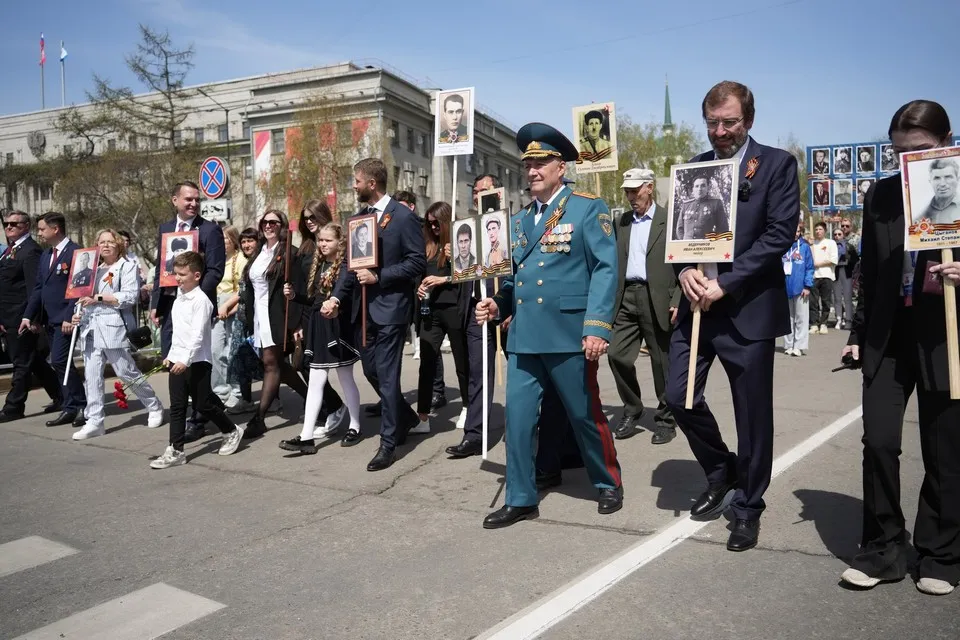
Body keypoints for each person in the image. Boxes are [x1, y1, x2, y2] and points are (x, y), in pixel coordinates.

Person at [664, 81, 800, 552]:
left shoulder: (776, 165)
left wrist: (727, 281)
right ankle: (722, 470)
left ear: (749, 121)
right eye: (712, 123)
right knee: (677, 395)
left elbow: (779, 233)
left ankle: (748, 506)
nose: (720, 131)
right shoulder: (695, 169)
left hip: (747, 310)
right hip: (698, 308)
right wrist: (684, 270)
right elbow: (680, 237)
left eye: (729, 122)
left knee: (752, 415)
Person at [839, 99, 960, 596]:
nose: (909, 161)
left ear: (947, 143)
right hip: (888, 336)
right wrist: (857, 334)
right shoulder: (882, 195)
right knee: (880, 442)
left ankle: (941, 552)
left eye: (921, 149)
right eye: (899, 153)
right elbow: (869, 273)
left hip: (945, 334)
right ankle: (883, 547)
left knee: (944, 448)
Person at [475, 122, 623, 528]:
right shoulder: (519, 220)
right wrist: (496, 303)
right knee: (519, 421)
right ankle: (521, 497)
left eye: (541, 163)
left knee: (584, 414)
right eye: (528, 165)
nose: (533, 171)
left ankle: (607, 480)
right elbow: (512, 280)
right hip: (524, 337)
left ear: (561, 166)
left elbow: (605, 269)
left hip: (570, 333)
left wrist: (597, 327)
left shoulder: (587, 207)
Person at [353, 157, 427, 471]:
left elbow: (417, 262)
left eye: (357, 181)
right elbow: (350, 265)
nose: (354, 186)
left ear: (372, 183)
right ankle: (406, 417)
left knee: (387, 376)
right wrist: (337, 298)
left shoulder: (403, 216)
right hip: (364, 310)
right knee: (371, 370)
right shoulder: (360, 219)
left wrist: (380, 276)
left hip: (392, 308)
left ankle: (388, 444)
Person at [150, 251, 244, 469]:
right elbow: (178, 333)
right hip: (178, 359)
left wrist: (185, 360)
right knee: (177, 406)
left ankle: (231, 430)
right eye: (176, 274)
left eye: (183, 274)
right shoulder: (179, 299)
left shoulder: (201, 301)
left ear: (197, 275)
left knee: (203, 404)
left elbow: (197, 335)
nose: (178, 278)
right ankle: (176, 450)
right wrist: (171, 356)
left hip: (197, 361)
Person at [607, 167, 681, 444]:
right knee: (616, 354)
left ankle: (666, 419)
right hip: (626, 297)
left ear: (649, 187)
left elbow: (683, 262)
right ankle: (633, 408)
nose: (630, 197)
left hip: (658, 297)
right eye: (627, 191)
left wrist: (678, 298)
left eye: (635, 190)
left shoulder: (669, 220)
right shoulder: (621, 222)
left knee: (662, 362)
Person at [70, 229, 164, 440]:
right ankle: (94, 420)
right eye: (101, 242)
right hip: (90, 326)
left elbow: (130, 297)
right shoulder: (92, 270)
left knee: (125, 370)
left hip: (113, 324)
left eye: (110, 242)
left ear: (119, 244)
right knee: (91, 375)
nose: (105, 245)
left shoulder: (126, 266)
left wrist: (99, 298)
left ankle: (153, 404)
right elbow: (81, 297)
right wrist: (77, 314)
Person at [279, 223, 362, 454]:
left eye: (328, 240)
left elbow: (344, 289)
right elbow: (315, 300)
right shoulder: (320, 265)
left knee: (345, 377)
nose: (323, 244)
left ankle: (355, 425)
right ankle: (307, 437)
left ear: (340, 242)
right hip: (318, 325)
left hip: (338, 326)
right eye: (321, 240)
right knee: (316, 380)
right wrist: (295, 297)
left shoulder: (345, 265)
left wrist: (334, 302)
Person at [240, 210, 308, 439]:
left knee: (270, 363)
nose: (268, 226)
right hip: (259, 317)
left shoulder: (290, 253)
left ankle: (259, 418)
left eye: (273, 222)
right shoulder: (259, 252)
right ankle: (314, 398)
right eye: (265, 222)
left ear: (282, 226)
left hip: (277, 316)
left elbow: (296, 288)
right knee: (276, 363)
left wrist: (296, 322)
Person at [21, 212, 87, 427]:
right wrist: (29, 315)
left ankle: (80, 405)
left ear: (55, 229)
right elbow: (39, 288)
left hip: (65, 319)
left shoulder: (75, 252)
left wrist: (69, 316)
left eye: (42, 229)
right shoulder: (46, 255)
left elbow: (78, 287)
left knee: (60, 361)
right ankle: (70, 406)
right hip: (49, 318)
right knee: (59, 362)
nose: (39, 233)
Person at [150, 181, 225, 364]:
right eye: (188, 199)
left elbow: (215, 270)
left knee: (193, 360)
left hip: (195, 305)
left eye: (197, 200)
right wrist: (155, 303)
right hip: (169, 303)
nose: (194, 204)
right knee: (170, 358)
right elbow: (161, 268)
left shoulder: (210, 230)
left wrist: (194, 295)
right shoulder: (165, 229)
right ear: (175, 200)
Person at [0, 211, 61, 423]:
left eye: (14, 224)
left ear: (26, 226)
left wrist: (33, 317)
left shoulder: (31, 250)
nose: (9, 227)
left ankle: (13, 407)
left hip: (21, 317)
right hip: (8, 316)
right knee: (32, 360)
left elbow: (34, 288)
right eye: (7, 224)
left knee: (22, 363)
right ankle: (61, 395)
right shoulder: (11, 250)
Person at [415, 202, 469, 434]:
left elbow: (469, 274)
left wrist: (444, 277)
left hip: (454, 308)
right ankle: (423, 416)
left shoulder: (459, 243)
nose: (433, 227)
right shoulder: (427, 246)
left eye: (437, 223)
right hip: (431, 310)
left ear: (446, 221)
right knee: (427, 363)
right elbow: (420, 275)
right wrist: (419, 288)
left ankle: (467, 406)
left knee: (462, 362)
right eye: (429, 224)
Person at [295, 200, 347, 436]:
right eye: (305, 218)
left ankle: (340, 412)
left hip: (331, 313)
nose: (309, 222)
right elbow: (306, 288)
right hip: (309, 313)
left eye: (313, 217)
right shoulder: (307, 246)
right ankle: (329, 409)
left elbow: (343, 280)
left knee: (340, 370)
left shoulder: (334, 246)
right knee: (308, 367)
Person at [211, 226, 250, 411]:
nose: (221, 243)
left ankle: (237, 393)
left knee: (231, 352)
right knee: (215, 349)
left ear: (233, 241)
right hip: (218, 305)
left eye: (224, 239)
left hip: (233, 304)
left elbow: (243, 289)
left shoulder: (240, 260)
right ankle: (220, 391)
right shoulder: (216, 260)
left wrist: (228, 306)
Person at [224, 227, 261, 412]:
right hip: (243, 317)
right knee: (241, 358)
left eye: (250, 240)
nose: (246, 245)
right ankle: (246, 399)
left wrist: (227, 306)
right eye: (244, 241)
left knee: (266, 360)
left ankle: (274, 398)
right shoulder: (248, 263)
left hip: (259, 317)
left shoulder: (260, 261)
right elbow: (243, 292)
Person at [782, 222, 813, 356]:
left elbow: (810, 267)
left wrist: (807, 285)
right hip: (785, 287)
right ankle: (789, 344)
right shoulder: (783, 246)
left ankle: (799, 346)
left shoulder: (805, 247)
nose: (795, 233)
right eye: (793, 230)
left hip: (800, 288)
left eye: (798, 231)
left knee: (801, 317)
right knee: (788, 318)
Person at [674, 175, 728, 240]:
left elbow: (723, 229)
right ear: (693, 189)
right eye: (697, 186)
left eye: (703, 186)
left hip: (706, 244)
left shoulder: (715, 204)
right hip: (687, 244)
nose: (699, 189)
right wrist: (684, 242)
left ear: (708, 188)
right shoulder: (686, 205)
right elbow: (679, 229)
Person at [808, 221, 838, 334]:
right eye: (816, 229)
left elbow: (833, 260)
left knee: (826, 301)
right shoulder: (812, 244)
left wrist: (818, 264)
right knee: (813, 302)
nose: (818, 231)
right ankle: (814, 324)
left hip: (827, 275)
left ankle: (824, 323)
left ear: (825, 231)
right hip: (814, 276)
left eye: (820, 229)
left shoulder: (831, 243)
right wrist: (810, 244)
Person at [922, 157, 960, 224]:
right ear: (930, 181)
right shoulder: (922, 214)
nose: (942, 184)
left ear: (957, 179)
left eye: (948, 177)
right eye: (937, 178)